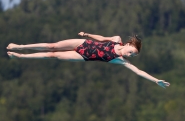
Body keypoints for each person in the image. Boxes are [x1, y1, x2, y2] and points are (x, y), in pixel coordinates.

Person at [7, 32, 170, 88]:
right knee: (52, 46)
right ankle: (19, 47)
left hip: (83, 56)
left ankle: (21, 56)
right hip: (83, 43)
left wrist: (156, 81)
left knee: (54, 55)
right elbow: (101, 37)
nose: (131, 55)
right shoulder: (116, 39)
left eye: (133, 55)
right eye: (132, 51)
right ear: (128, 44)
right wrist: (87, 35)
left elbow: (138, 71)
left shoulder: (120, 61)